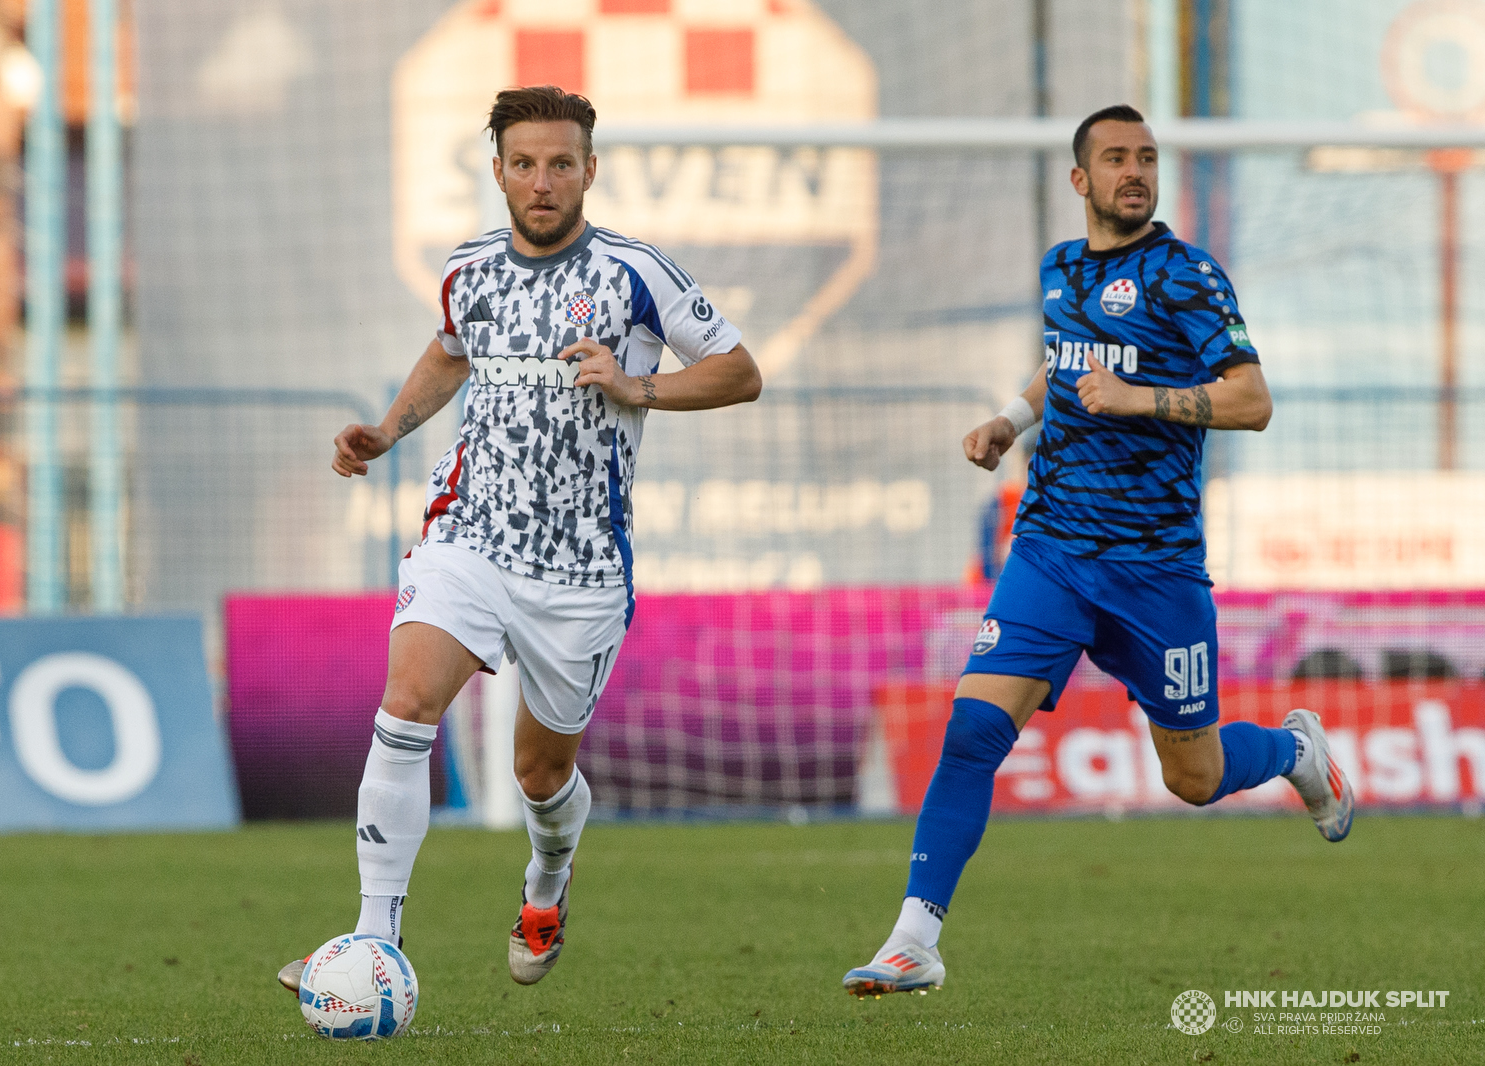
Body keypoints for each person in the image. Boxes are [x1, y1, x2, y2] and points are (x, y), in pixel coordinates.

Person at [842, 104, 1353, 998]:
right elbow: (1064, 363)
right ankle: (914, 940)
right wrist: (1012, 420)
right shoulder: (1061, 269)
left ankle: (1293, 753)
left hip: (1156, 572)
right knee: (970, 733)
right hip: (1051, 551)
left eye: (1146, 157)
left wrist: (1142, 400)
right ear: (1080, 180)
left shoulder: (1188, 276)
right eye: (1115, 158)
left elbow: (1252, 400)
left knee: (1192, 776)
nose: (1135, 171)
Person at [279, 85, 760, 993]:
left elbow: (740, 371)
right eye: (526, 164)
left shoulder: (635, 273)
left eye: (561, 164)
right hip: (470, 535)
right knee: (408, 702)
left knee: (541, 776)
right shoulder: (470, 268)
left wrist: (636, 387)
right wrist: (388, 430)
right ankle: (375, 939)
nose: (543, 182)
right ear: (498, 170)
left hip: (581, 572)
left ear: (590, 170)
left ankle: (548, 877)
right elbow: (453, 347)